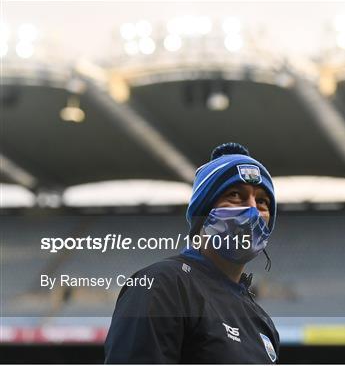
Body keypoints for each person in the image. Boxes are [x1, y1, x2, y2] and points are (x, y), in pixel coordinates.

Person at [104, 142, 280, 364]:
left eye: (262, 202)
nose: (252, 211)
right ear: (202, 212)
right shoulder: (163, 285)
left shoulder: (260, 321)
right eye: (235, 195)